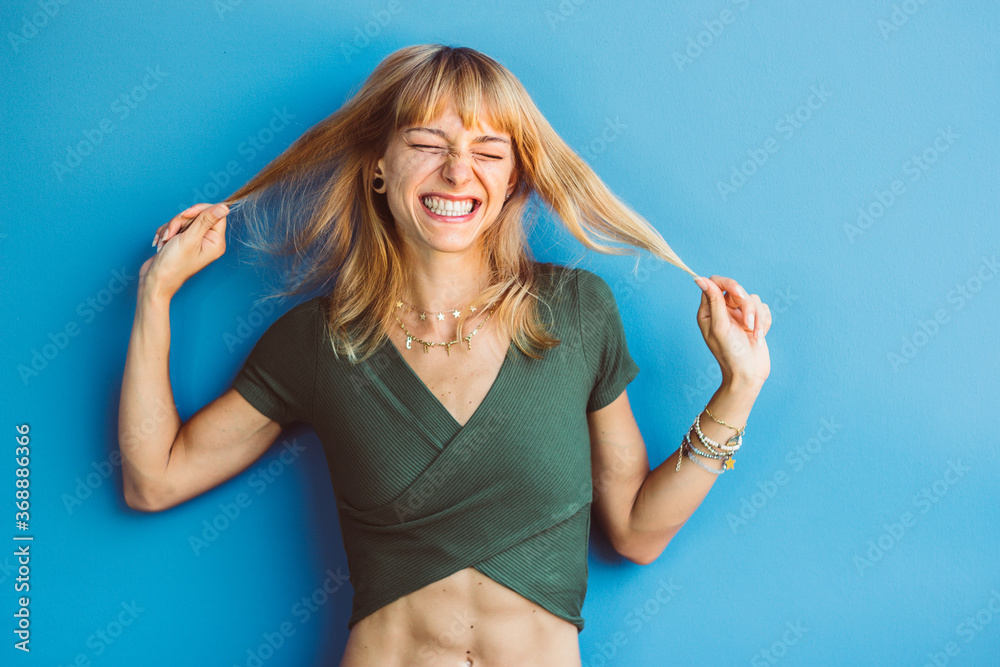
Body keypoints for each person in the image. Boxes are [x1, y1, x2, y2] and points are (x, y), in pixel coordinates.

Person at [119, 44, 771, 666]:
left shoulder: (576, 311)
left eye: (489, 150)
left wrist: (737, 390)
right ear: (378, 164)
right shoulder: (317, 341)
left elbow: (635, 529)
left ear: (515, 175)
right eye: (428, 144)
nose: (458, 172)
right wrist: (156, 294)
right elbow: (155, 478)